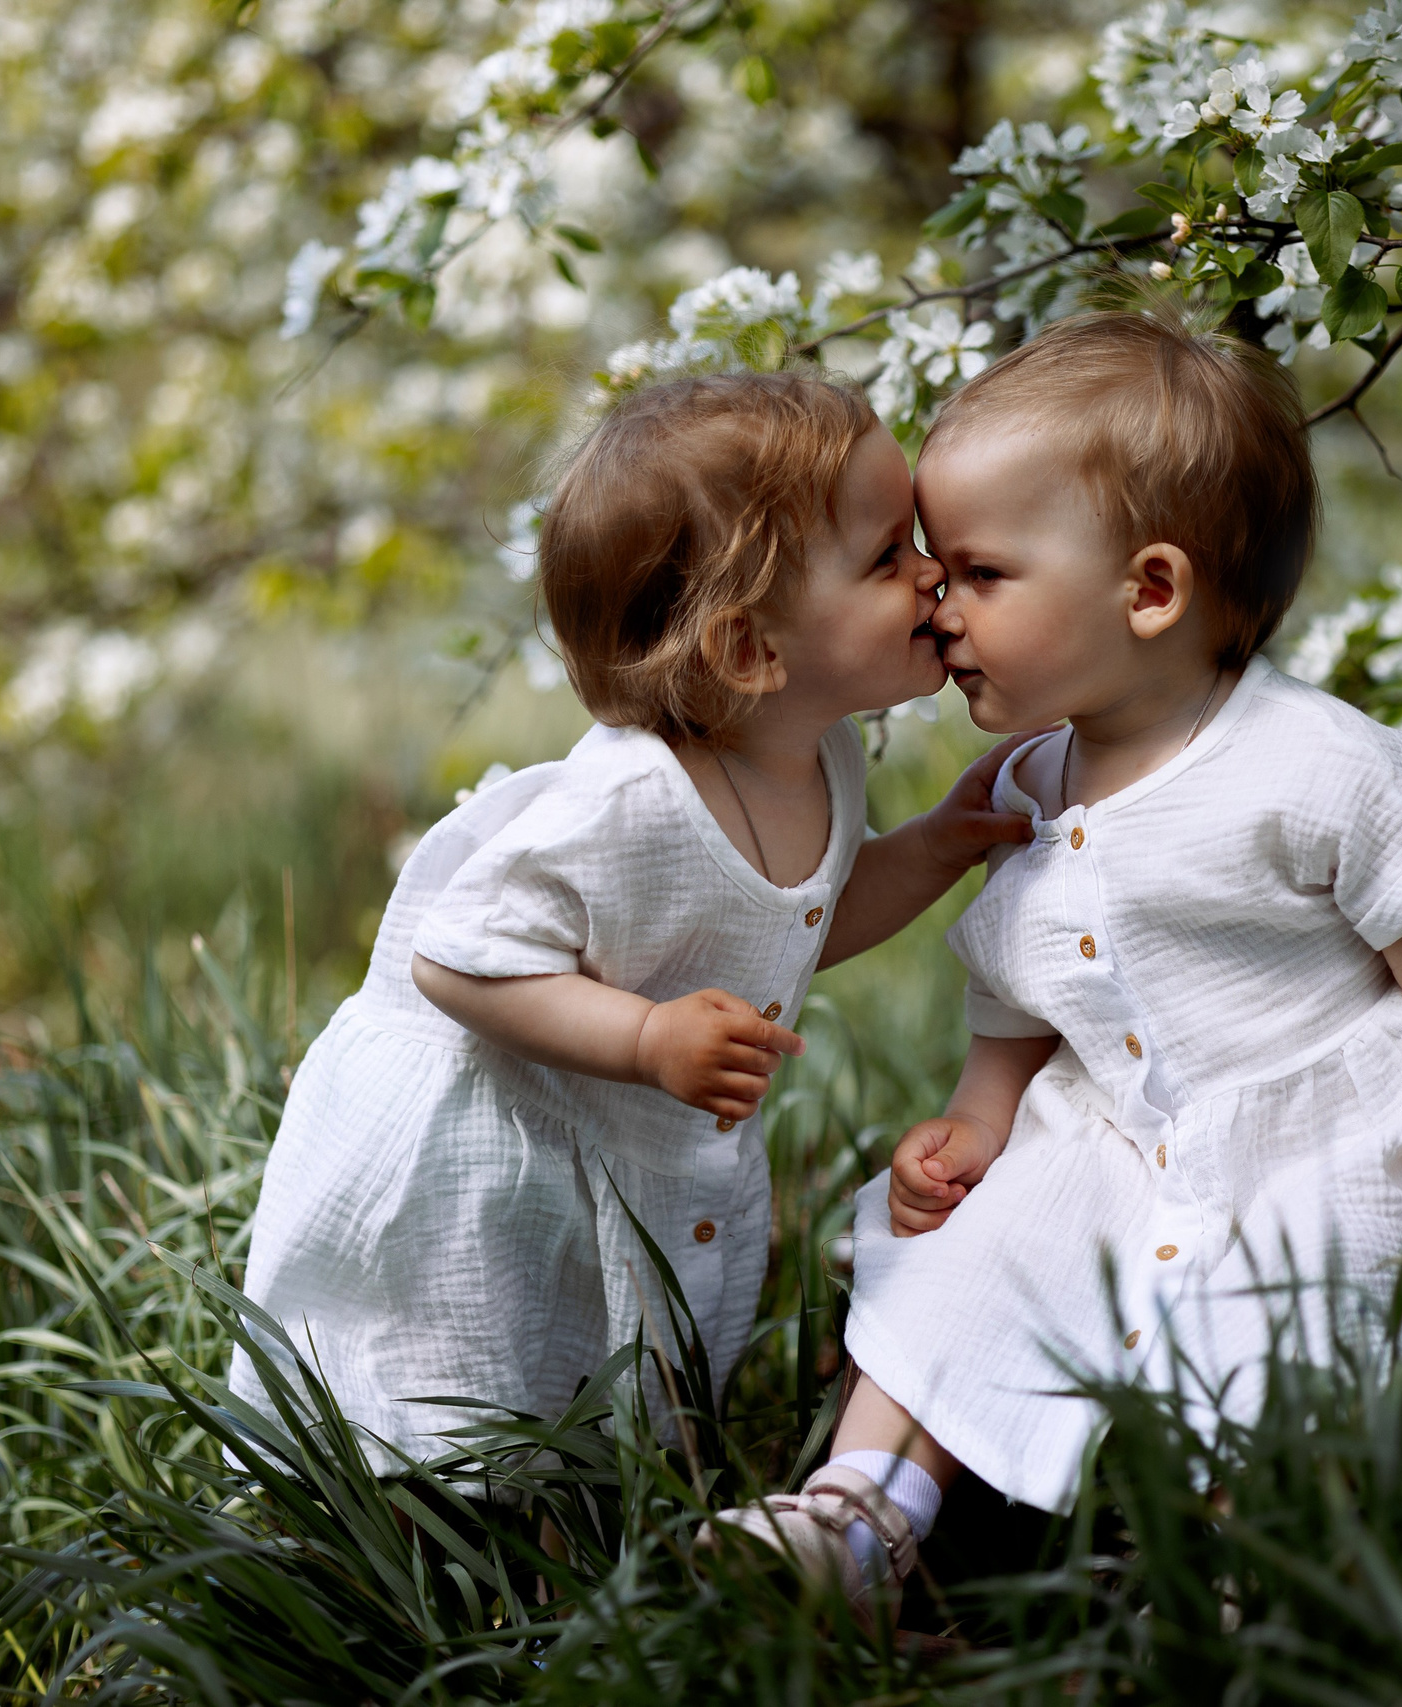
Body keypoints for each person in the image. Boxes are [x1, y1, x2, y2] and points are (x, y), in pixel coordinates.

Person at [703, 309, 1402, 1609]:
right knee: (967, 1263)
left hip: (1308, 1134)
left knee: (1285, 1320)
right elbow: (1022, 986)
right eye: (933, 570)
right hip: (1105, 1133)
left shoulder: (1327, 768)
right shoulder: (1031, 776)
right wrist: (979, 1122)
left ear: (1149, 590)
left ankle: (1256, 1567)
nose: (937, 607)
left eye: (982, 573)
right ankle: (859, 1513)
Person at [230, 371, 1032, 1465]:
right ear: (752, 651)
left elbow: (796, 929)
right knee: (475, 1356)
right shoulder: (627, 800)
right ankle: (443, 1529)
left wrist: (933, 845)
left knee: (589, 1357)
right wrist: (647, 1038)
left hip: (610, 1125)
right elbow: (458, 961)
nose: (932, 573)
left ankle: (592, 1498)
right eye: (888, 556)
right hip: (496, 1132)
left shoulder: (818, 755)